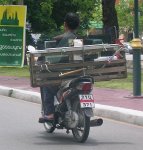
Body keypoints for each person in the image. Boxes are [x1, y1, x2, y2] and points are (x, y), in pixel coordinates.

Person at [39, 12, 80, 123]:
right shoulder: (79, 38)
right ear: (77, 25)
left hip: (65, 75)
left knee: (45, 83)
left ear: (65, 24)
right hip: (79, 74)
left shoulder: (65, 40)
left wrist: (47, 60)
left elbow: (55, 59)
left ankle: (49, 113)